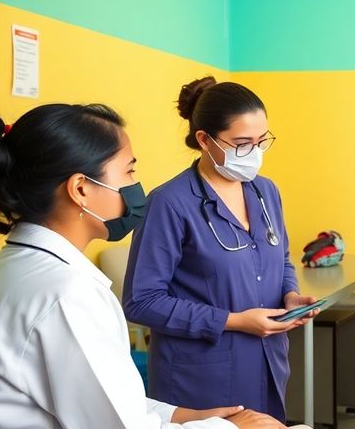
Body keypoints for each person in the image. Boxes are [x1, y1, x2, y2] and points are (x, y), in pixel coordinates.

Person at [0, 104, 283, 428]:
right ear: (81, 189)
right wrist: (232, 426)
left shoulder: (17, 267)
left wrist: (183, 415)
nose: (136, 186)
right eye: (129, 172)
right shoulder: (67, 296)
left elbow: (108, 399)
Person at [124, 77, 314, 422]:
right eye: (242, 144)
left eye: (261, 142)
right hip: (201, 378)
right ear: (204, 140)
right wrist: (233, 321)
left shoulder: (265, 192)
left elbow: (281, 258)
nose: (254, 154)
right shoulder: (170, 203)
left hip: (267, 362)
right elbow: (142, 301)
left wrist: (290, 295)